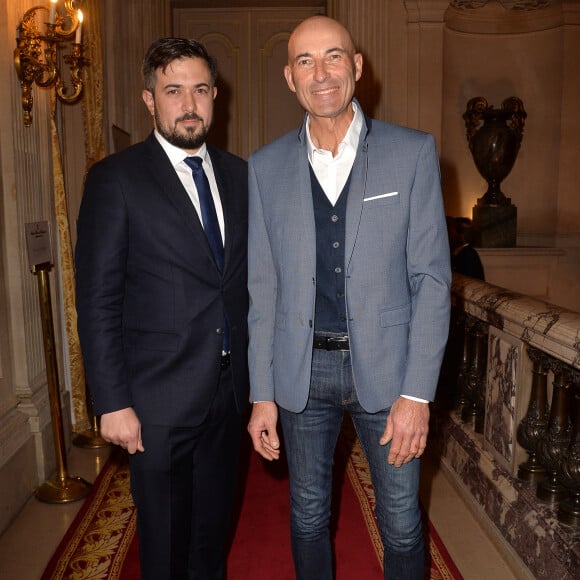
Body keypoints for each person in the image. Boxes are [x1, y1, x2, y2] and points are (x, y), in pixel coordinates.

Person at [246, 16, 451, 580]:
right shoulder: (264, 169)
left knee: (403, 521)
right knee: (309, 516)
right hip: (301, 373)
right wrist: (262, 394)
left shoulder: (411, 154)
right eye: (306, 61)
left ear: (357, 67)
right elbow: (262, 290)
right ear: (290, 78)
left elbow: (431, 281)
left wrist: (418, 394)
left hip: (390, 375)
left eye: (333, 56)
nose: (321, 73)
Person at [75, 38, 249, 580]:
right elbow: (97, 298)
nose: (189, 103)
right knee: (167, 550)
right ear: (150, 100)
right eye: (173, 90)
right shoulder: (116, 179)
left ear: (216, 96)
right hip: (156, 401)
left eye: (200, 89)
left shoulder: (242, 176)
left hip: (230, 394)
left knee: (212, 539)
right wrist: (112, 401)